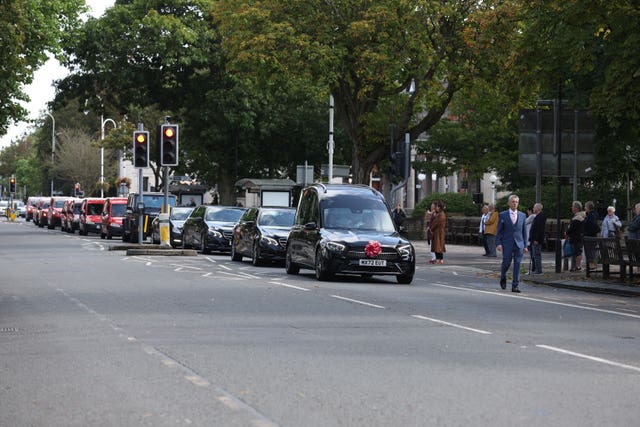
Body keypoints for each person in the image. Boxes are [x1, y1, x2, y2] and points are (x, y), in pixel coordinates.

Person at [496, 194, 528, 293]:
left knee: (517, 264)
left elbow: (524, 232)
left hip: (519, 244)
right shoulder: (503, 215)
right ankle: (503, 276)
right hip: (507, 243)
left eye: (516, 202)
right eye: (513, 202)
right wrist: (498, 243)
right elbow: (499, 231)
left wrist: (525, 245)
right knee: (506, 262)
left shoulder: (522, 215)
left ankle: (515, 285)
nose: (515, 204)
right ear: (509, 203)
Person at [565, 201, 585, 271]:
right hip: (576, 237)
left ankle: (577, 266)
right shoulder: (578, 216)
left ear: (576, 208)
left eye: (573, 206)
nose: (572, 208)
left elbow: (572, 228)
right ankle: (574, 267)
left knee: (577, 252)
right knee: (575, 253)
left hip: (576, 238)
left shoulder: (578, 217)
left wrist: (566, 232)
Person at [528, 203, 546, 274]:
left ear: (538, 208)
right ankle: (536, 269)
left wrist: (536, 239)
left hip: (536, 240)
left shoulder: (540, 217)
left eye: (534, 208)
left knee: (536, 255)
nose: (533, 209)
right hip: (534, 239)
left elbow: (540, 229)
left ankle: (538, 270)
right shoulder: (538, 216)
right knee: (534, 255)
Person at [430, 200, 446, 264]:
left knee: (438, 246)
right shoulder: (440, 214)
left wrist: (432, 229)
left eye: (437, 206)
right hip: (438, 232)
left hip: (438, 232)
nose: (436, 208)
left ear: (439, 207)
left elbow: (436, 223)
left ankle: (439, 259)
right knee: (438, 246)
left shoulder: (441, 214)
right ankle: (438, 259)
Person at [525, 206, 537, 272]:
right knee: (533, 254)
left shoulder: (532, 216)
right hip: (530, 236)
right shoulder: (534, 216)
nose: (527, 213)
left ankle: (534, 268)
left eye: (528, 211)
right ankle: (534, 267)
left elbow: (524, 222)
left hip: (530, 237)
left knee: (533, 254)